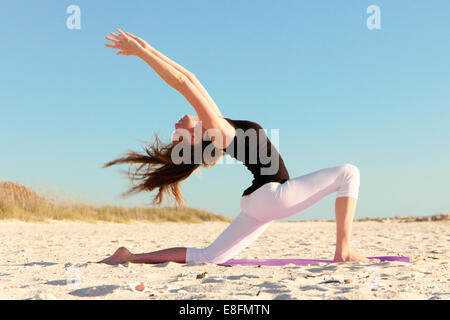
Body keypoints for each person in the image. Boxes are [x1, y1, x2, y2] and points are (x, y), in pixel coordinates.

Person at [99, 28, 379, 266]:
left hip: (257, 202)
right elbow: (183, 84)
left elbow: (190, 77)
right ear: (195, 139)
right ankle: (343, 251)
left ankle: (130, 257)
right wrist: (140, 53)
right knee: (349, 173)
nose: (176, 124)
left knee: (207, 257)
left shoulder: (219, 124)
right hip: (273, 195)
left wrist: (146, 46)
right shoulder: (218, 132)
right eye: (178, 134)